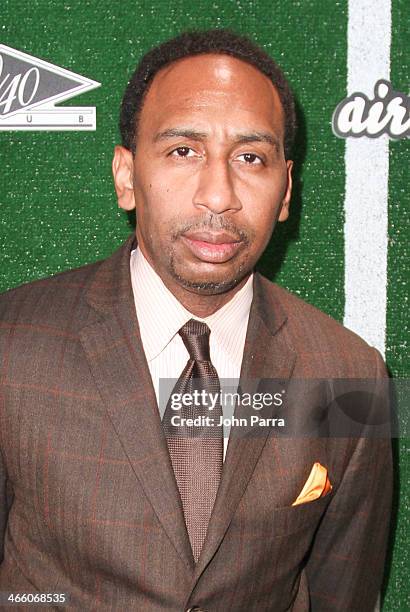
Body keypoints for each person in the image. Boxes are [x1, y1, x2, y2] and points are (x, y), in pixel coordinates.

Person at [0, 29, 392, 611]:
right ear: (127, 176)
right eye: (184, 150)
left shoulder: (353, 375)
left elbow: (347, 592)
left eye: (251, 158)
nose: (218, 195)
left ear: (285, 191)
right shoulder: (11, 342)